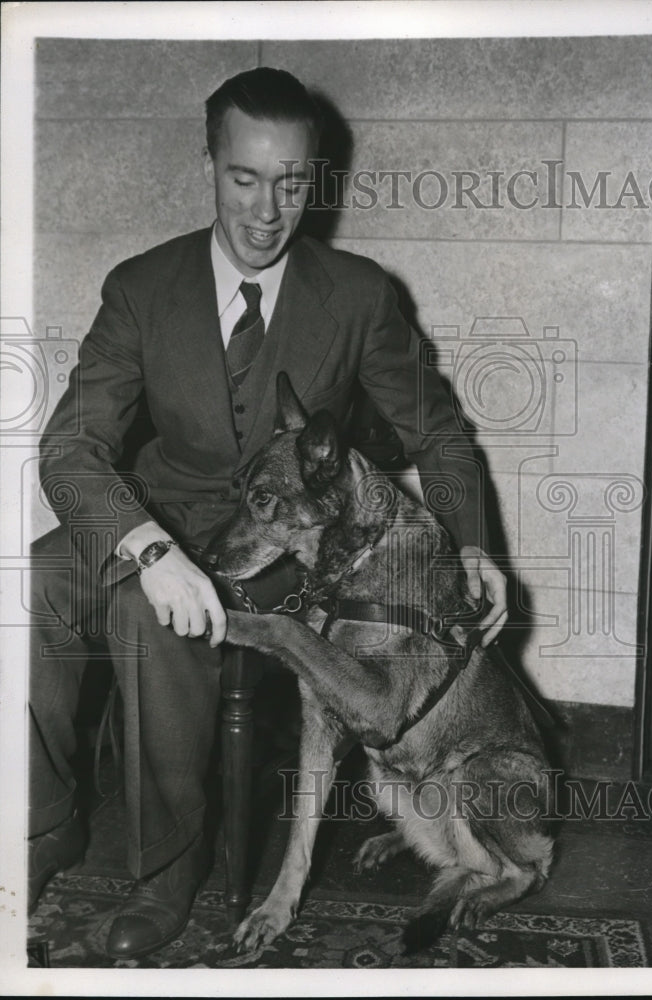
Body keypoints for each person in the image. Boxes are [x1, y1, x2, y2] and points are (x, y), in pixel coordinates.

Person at [28, 67, 508, 959]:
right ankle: (42, 821)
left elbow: (438, 435)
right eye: (244, 178)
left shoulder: (359, 294)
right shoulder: (141, 286)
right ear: (209, 165)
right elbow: (70, 449)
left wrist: (475, 547)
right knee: (45, 576)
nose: (266, 210)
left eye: (291, 183)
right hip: (164, 513)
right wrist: (145, 543)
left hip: (294, 553)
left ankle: (166, 875)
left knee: (143, 610)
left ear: (314, 179)